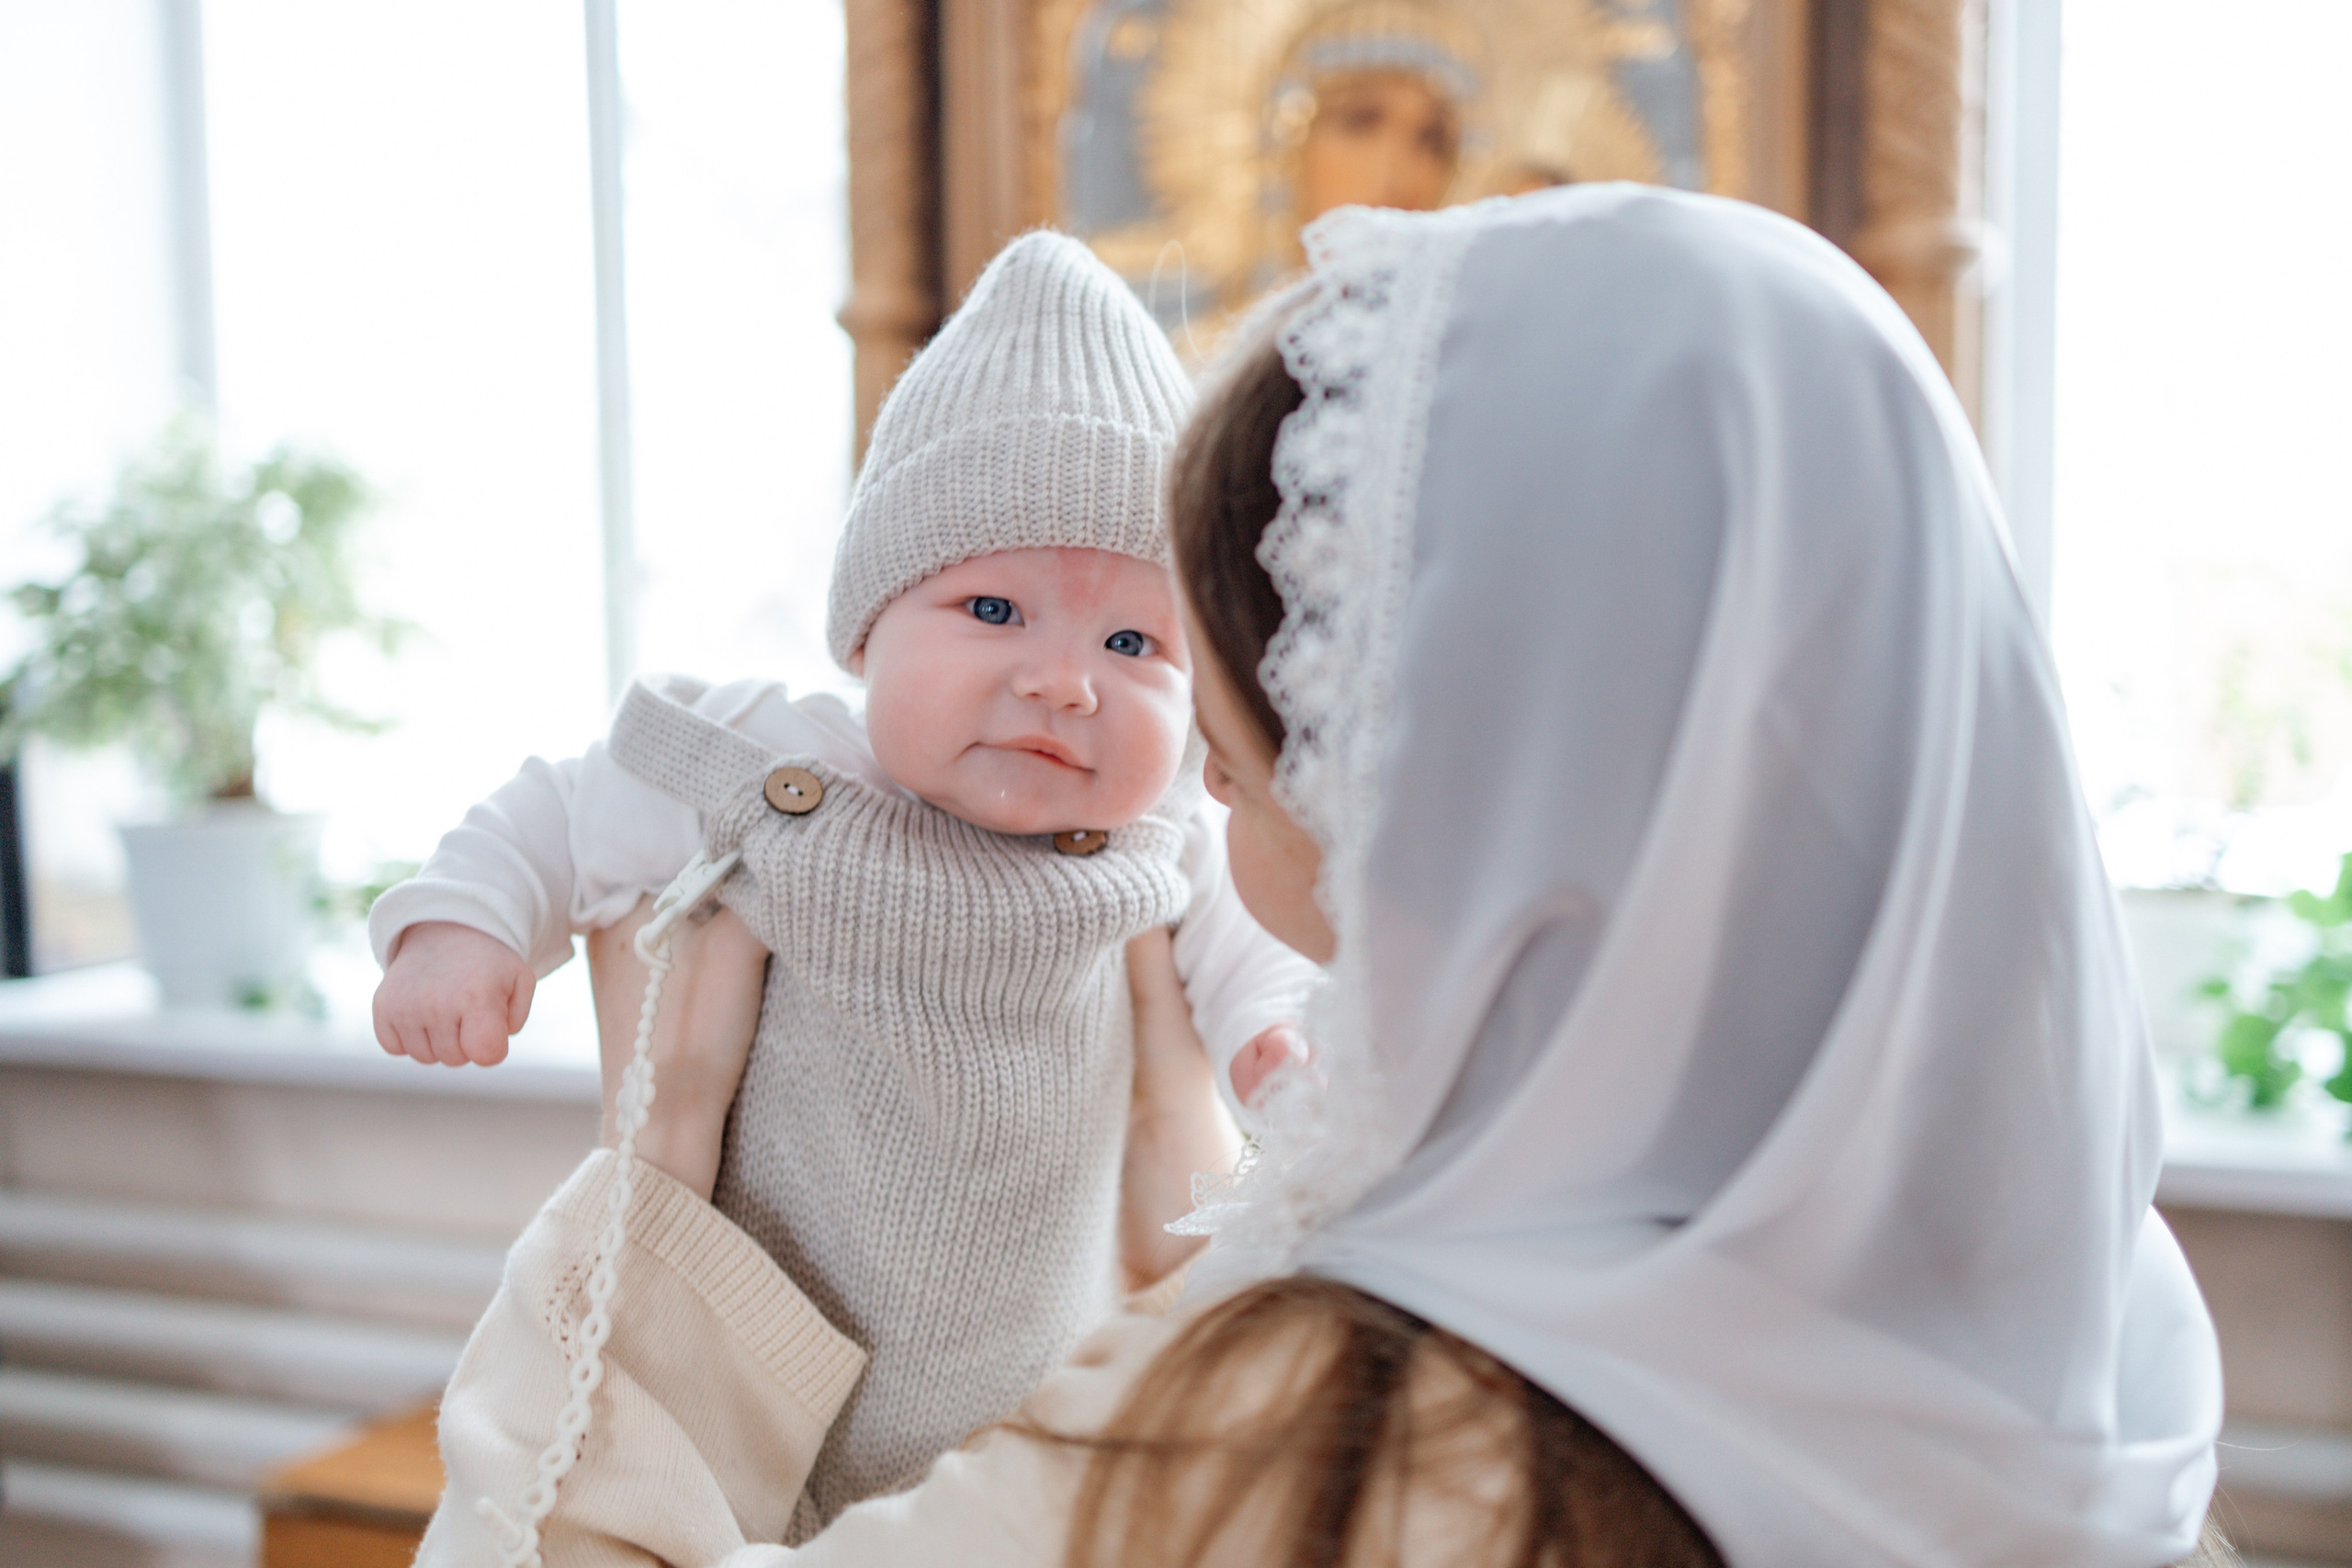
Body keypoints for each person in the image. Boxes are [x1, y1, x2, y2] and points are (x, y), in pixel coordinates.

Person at [418, 184, 2227, 1566]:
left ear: (1458, 761)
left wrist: (651, 1197)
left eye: (1221, 691)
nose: (1182, 759)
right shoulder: (2098, 1329)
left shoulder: (1316, 1442)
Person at [369, 231, 1317, 1534]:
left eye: (1132, 641)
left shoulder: (1164, 840)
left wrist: (1279, 1038)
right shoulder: (782, 759)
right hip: (755, 1364)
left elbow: (1255, 951)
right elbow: (562, 806)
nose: (1061, 678)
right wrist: (465, 930)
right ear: (871, 630)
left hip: (1038, 1374)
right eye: (993, 611)